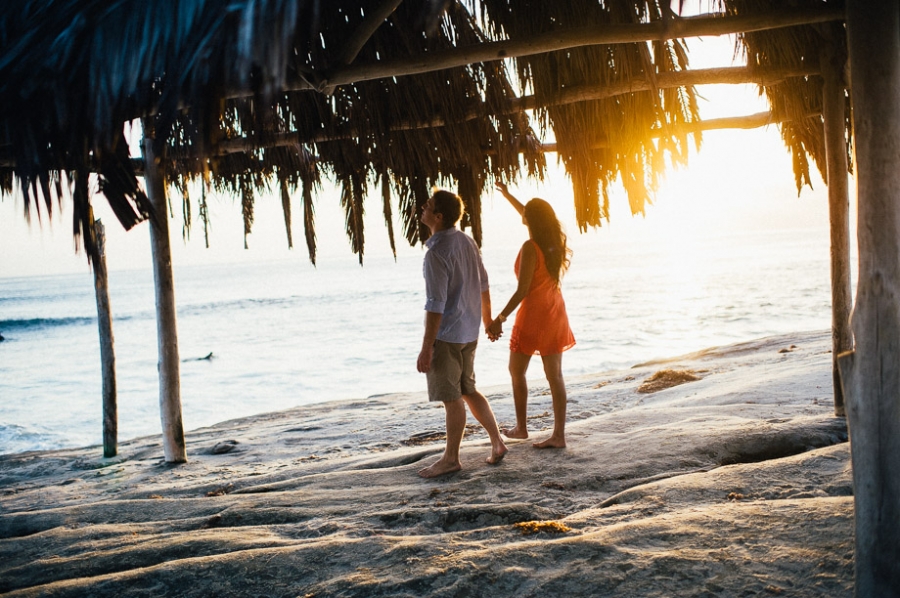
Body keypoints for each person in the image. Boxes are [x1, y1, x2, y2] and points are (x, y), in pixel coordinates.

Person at [416, 189, 508, 478]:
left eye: (428, 206)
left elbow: (435, 305)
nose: (423, 207)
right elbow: (483, 282)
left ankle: (451, 459)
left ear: (438, 216)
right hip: (469, 331)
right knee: (468, 389)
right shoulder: (467, 241)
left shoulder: (436, 253)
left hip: (448, 335)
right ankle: (497, 442)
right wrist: (487, 319)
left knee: (452, 397)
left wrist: (426, 347)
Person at [488, 182, 575, 449]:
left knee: (516, 370)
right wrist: (507, 195)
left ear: (531, 220)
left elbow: (522, 290)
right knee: (555, 375)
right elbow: (527, 213)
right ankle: (558, 435)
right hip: (555, 311)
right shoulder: (554, 243)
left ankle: (522, 428)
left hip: (534, 314)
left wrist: (498, 319)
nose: (522, 214)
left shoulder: (529, 247)